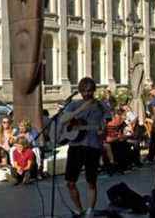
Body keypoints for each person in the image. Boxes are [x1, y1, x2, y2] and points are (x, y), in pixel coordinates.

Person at [61, 77, 106, 218]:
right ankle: (79, 210)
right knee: (70, 182)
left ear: (94, 90)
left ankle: (90, 211)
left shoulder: (100, 105)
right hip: (76, 145)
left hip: (92, 146)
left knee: (91, 181)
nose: (87, 94)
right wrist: (81, 108)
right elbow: (63, 120)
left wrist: (102, 129)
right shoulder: (74, 104)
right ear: (80, 91)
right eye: (84, 91)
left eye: (90, 91)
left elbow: (105, 122)